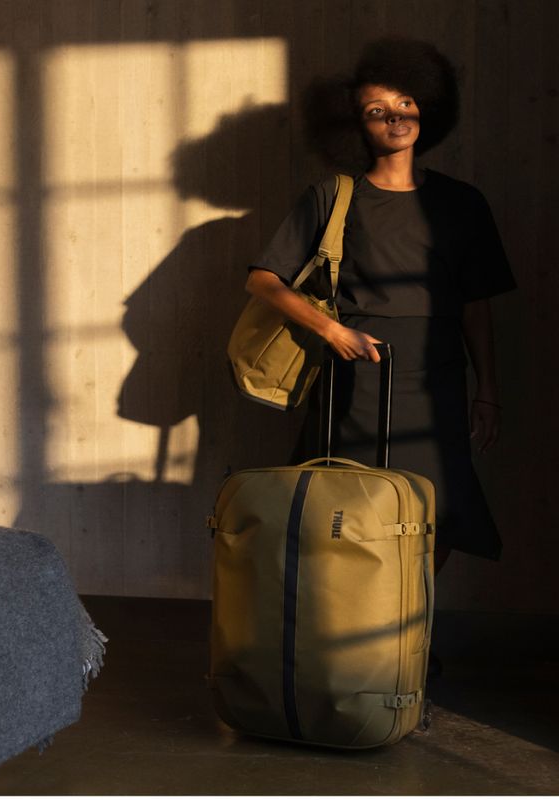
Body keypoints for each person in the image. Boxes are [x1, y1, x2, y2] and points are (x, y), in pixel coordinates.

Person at [244, 37, 517, 590]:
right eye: (377, 111)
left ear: (427, 108)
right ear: (355, 127)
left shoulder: (464, 204)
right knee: (343, 511)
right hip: (356, 378)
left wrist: (487, 389)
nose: (394, 119)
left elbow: (475, 306)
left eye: (405, 104)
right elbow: (262, 279)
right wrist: (330, 329)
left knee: (439, 514)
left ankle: (408, 639)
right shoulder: (334, 196)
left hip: (438, 379)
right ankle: (348, 643)